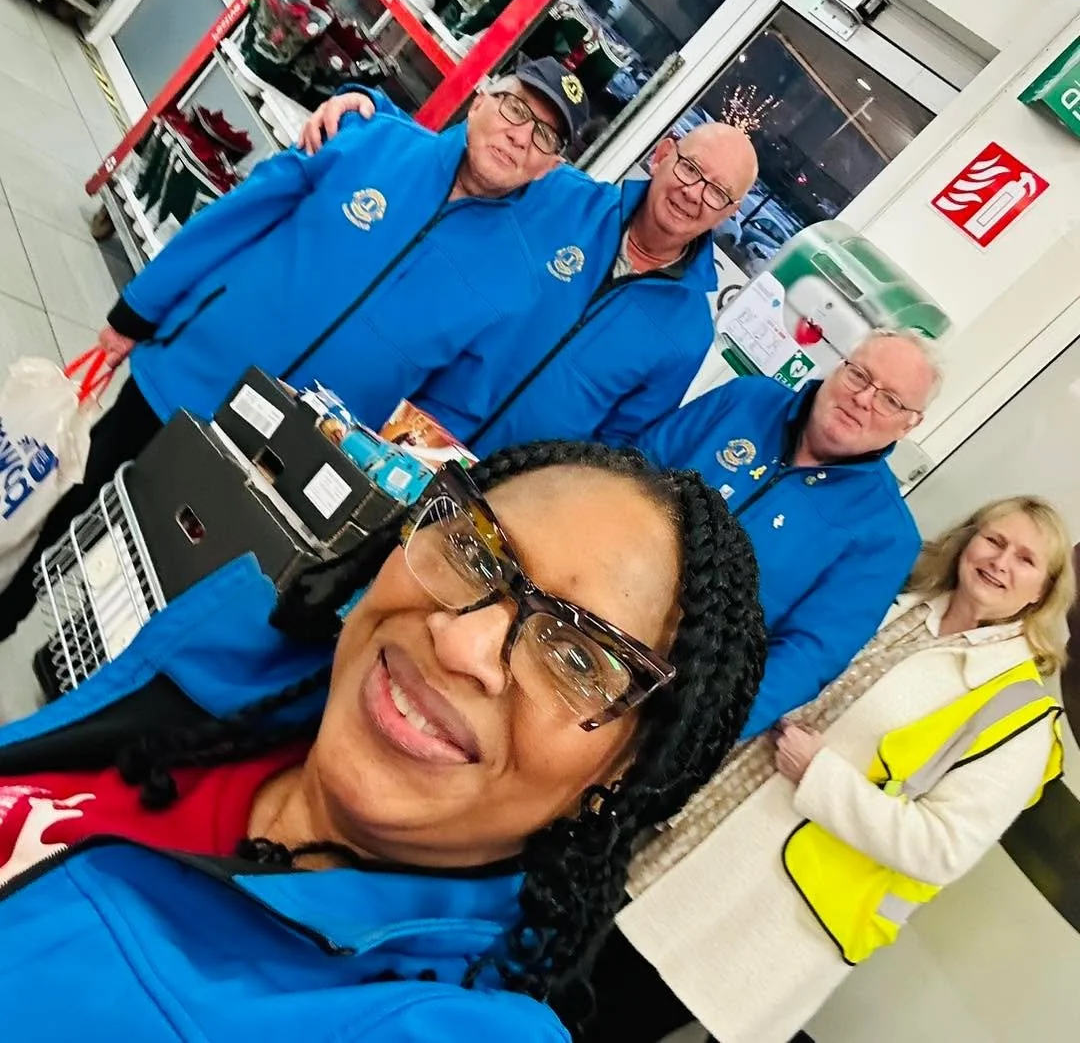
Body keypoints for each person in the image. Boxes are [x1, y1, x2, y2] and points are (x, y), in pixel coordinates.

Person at [0, 441, 767, 1041]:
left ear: (622, 775)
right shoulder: (233, 690)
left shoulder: (432, 1019)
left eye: (574, 658)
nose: (462, 641)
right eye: (474, 554)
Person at [0, 58, 590, 641]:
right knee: (69, 503)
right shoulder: (368, 140)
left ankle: (79, 669)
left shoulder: (514, 285)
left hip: (280, 461)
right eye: (516, 107)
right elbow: (241, 215)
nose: (520, 136)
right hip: (189, 371)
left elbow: (437, 420)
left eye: (544, 135)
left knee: (169, 579)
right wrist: (139, 308)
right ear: (483, 96)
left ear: (551, 168)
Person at [614, 495, 1073, 1043]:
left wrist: (820, 778)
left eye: (1026, 560)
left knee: (612, 1019)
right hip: (682, 833)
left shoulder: (1018, 710)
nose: (1001, 561)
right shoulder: (898, 605)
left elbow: (942, 849)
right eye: (995, 540)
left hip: (757, 908)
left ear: (1043, 592)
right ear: (967, 539)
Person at [301, 89, 760, 455]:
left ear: (730, 212)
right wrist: (368, 107)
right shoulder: (558, 194)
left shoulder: (689, 334)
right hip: (393, 408)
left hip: (485, 497)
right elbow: (457, 162)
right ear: (662, 156)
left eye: (718, 192)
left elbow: (613, 452)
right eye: (690, 169)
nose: (694, 193)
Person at [639, 328, 940, 741]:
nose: (864, 399)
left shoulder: (886, 536)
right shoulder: (746, 400)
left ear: (910, 424)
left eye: (890, 400)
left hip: (664, 689)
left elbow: (807, 656)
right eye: (859, 376)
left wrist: (698, 733)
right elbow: (632, 469)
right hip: (582, 600)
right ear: (839, 367)